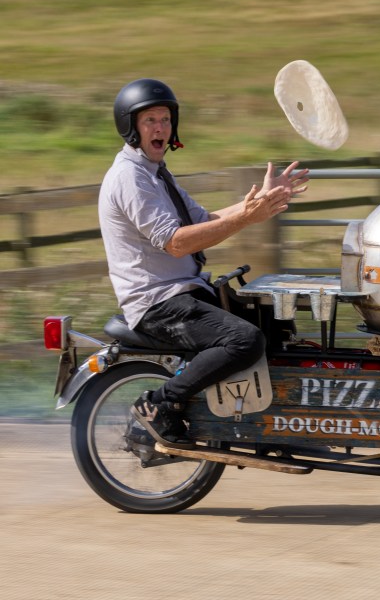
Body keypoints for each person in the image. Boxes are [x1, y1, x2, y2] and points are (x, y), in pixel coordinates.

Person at [99, 77, 309, 448]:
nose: (160, 128)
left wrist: (259, 200)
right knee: (244, 340)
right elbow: (177, 243)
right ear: (130, 127)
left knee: (276, 325)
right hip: (158, 302)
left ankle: (272, 425)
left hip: (184, 292)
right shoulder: (130, 178)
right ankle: (159, 405)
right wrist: (247, 218)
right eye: (150, 121)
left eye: (165, 119)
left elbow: (203, 219)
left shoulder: (155, 173)